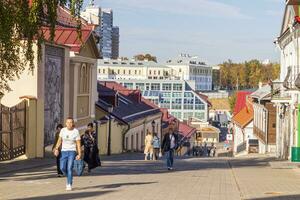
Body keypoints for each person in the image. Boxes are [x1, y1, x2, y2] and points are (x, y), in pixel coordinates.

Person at [53, 117, 81, 191]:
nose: (69, 124)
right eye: (68, 122)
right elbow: (59, 140)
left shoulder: (76, 131)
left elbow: (78, 144)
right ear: (65, 123)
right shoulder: (63, 130)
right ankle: (69, 176)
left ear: (73, 123)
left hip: (72, 151)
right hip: (63, 151)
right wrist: (56, 148)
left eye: (71, 122)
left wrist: (79, 154)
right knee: (62, 168)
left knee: (69, 168)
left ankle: (69, 184)